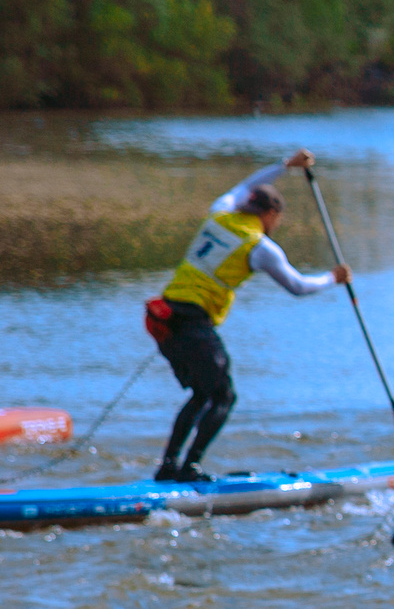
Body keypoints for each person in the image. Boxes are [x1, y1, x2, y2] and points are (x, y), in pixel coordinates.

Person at [145, 149, 351, 483]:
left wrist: (284, 166)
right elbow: (298, 286)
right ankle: (189, 468)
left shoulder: (220, 213)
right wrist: (333, 278)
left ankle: (169, 467)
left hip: (163, 318)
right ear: (270, 213)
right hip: (192, 323)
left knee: (201, 394)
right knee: (223, 396)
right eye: (277, 219)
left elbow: (245, 185)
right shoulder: (260, 247)